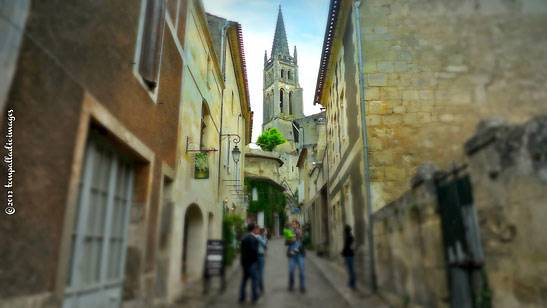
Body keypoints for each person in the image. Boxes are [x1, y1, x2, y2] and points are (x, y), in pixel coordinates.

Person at [239, 222, 259, 303]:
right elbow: (254, 251)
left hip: (244, 263)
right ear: (254, 229)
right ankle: (254, 297)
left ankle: (242, 297)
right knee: (254, 280)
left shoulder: (244, 237)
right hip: (251, 263)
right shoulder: (253, 238)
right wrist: (256, 261)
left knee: (244, 280)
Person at [287, 220, 306, 293]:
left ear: (297, 225)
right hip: (292, 254)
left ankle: (302, 286)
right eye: (292, 224)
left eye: (294, 224)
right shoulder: (290, 232)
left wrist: (301, 236)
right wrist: (290, 240)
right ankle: (291, 285)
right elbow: (286, 242)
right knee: (291, 270)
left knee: (301, 270)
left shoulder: (302, 232)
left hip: (299, 254)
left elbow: (305, 243)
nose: (292, 225)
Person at [254, 227, 268, 294]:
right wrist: (264, 236)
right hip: (260, 255)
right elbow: (264, 244)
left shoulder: (256, 236)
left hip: (257, 255)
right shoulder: (258, 236)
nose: (267, 232)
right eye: (266, 231)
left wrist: (264, 236)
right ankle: (260, 287)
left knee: (257, 272)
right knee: (260, 272)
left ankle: (258, 287)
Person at [342, 224, 356, 290]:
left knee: (351, 270)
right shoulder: (351, 236)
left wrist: (343, 252)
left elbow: (346, 246)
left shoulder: (348, 237)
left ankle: (352, 284)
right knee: (350, 270)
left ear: (346, 230)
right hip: (350, 255)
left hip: (348, 255)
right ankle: (351, 283)